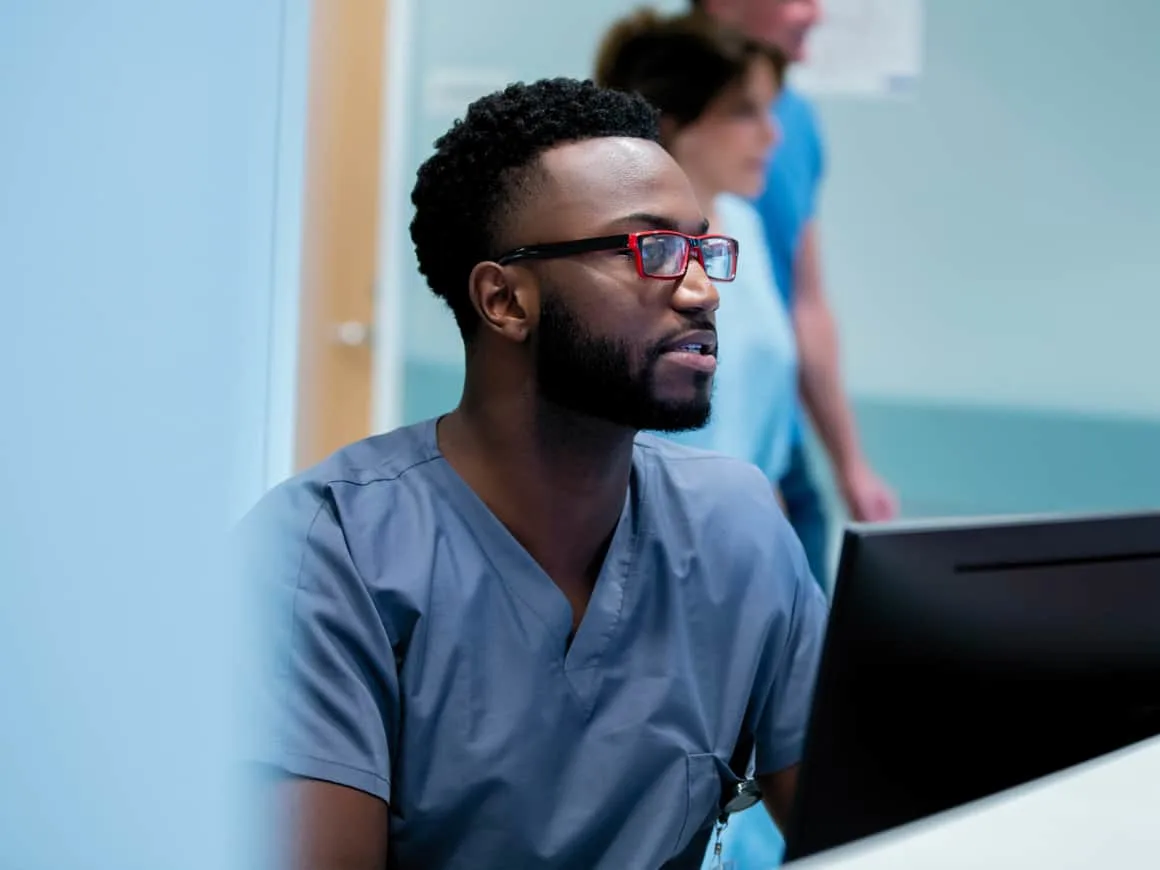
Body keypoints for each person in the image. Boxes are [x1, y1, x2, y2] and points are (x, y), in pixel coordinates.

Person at [240, 78, 828, 870]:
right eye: (650, 250)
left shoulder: (737, 524)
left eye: (700, 247)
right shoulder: (325, 556)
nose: (700, 290)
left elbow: (865, 834)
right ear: (504, 300)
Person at [694, 0, 899, 584]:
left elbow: (806, 305)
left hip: (766, 449)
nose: (815, 13)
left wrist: (849, 463)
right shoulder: (630, 143)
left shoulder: (766, 175)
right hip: (684, 463)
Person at [594, 10, 799, 502]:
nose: (773, 135)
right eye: (744, 111)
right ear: (672, 121)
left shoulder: (743, 224)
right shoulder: (624, 247)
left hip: (739, 518)